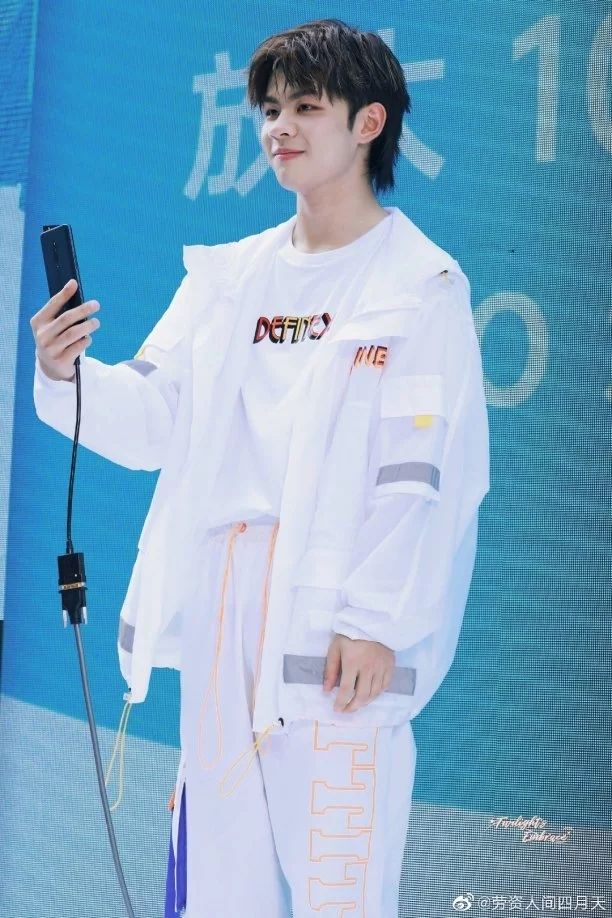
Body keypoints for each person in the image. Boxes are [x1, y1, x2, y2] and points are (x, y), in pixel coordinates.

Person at [30, 18, 490, 918]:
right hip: (221, 597)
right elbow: (155, 417)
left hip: (332, 608)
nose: (279, 127)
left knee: (339, 881)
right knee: (219, 884)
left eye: (305, 107)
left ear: (369, 123)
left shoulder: (420, 285)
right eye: (270, 110)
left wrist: (374, 620)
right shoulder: (229, 277)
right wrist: (66, 374)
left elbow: (421, 475)